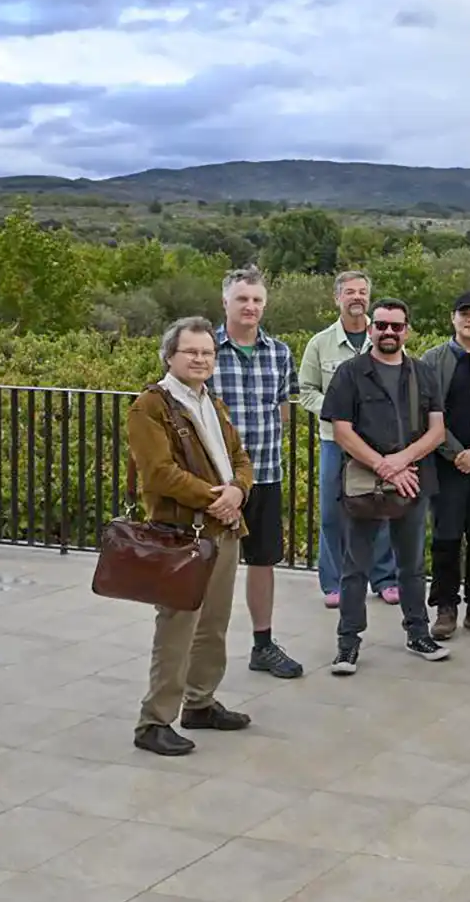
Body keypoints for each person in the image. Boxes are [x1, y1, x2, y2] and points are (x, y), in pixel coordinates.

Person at [128, 317, 255, 756]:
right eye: (191, 352)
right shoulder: (150, 407)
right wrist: (215, 498)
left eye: (207, 353)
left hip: (223, 528)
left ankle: (199, 702)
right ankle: (154, 721)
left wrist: (238, 490)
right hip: (182, 534)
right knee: (177, 628)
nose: (201, 359)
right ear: (170, 356)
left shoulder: (211, 402)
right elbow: (159, 473)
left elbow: (239, 456)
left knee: (213, 625)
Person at [320, 298, 451, 674]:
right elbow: (342, 431)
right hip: (364, 483)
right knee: (355, 567)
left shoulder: (423, 373)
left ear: (407, 330)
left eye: (396, 326)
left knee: (411, 565)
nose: (388, 332)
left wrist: (400, 462)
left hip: (413, 481)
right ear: (371, 329)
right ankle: (347, 644)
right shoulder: (350, 373)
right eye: (381, 325)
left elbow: (437, 431)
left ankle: (418, 633)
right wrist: (385, 467)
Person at [209, 267, 304, 679]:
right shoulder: (205, 351)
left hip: (265, 474)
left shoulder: (279, 352)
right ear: (225, 302)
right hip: (218, 482)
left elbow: (282, 411)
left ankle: (263, 645)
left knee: (263, 561)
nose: (250, 306)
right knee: (210, 563)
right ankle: (201, 646)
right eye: (242, 299)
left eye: (257, 300)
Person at [300, 271, 398, 607]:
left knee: (381, 508)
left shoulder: (385, 336)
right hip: (334, 441)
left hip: (377, 443)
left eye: (362, 292)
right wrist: (335, 412)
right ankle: (335, 583)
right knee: (332, 512)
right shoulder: (320, 343)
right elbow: (306, 390)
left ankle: (385, 579)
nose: (357, 297)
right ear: (337, 298)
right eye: (350, 292)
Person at [417, 292, 470, 640]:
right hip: (445, 466)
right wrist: (455, 453)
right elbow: (424, 412)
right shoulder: (431, 361)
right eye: (464, 313)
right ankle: (445, 607)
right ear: (452, 318)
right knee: (446, 539)